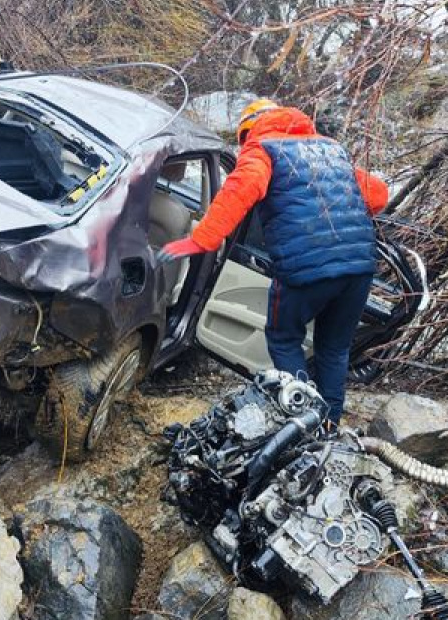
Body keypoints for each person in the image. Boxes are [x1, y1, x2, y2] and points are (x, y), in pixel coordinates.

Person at [160, 99, 389, 430]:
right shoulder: (330, 150)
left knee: (283, 340)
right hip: (359, 268)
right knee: (334, 350)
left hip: (304, 269)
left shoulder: (262, 150)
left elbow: (240, 191)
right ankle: (329, 425)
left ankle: (301, 420)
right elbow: (379, 195)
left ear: (248, 131)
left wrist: (201, 240)